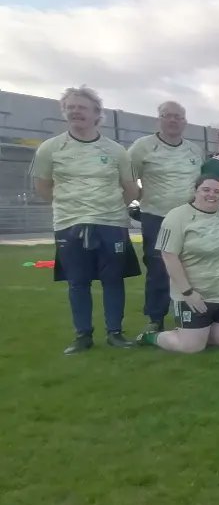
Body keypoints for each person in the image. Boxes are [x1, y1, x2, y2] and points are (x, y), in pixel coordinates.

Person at [31, 85, 140, 353]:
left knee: (113, 279)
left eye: (81, 107)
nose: (75, 111)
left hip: (111, 223)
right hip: (69, 224)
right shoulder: (50, 148)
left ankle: (115, 332)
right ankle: (83, 336)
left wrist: (109, 209)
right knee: (77, 282)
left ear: (96, 114)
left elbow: (131, 189)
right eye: (70, 107)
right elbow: (43, 186)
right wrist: (71, 207)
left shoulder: (116, 151)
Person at [138, 175, 219, 353]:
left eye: (217, 191)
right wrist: (188, 292)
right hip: (195, 295)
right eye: (206, 190)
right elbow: (168, 256)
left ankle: (198, 330)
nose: (212, 195)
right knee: (191, 347)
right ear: (195, 191)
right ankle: (152, 336)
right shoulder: (177, 216)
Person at [127, 100, 202, 333]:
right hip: (157, 217)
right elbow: (127, 178)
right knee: (159, 267)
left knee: (193, 265)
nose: (173, 120)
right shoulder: (142, 147)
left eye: (178, 116)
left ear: (185, 122)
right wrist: (142, 198)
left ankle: (192, 310)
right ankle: (155, 317)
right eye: (167, 115)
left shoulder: (194, 150)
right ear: (158, 119)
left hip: (190, 217)